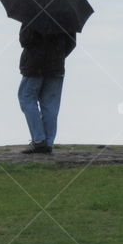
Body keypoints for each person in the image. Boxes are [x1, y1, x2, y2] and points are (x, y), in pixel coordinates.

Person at [17, 22, 76, 154]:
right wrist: (58, 55)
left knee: (26, 99)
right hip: (56, 66)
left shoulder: (33, 12)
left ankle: (39, 140)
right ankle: (48, 142)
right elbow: (71, 43)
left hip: (34, 65)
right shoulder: (66, 14)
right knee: (50, 105)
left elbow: (25, 40)